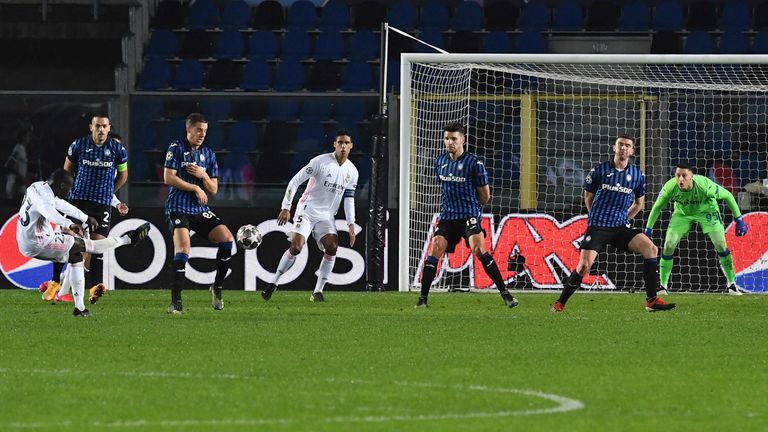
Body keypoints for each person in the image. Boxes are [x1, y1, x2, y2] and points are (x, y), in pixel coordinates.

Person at [552, 135, 675, 313]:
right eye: (621, 145)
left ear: (632, 151)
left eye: (628, 146)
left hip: (619, 226)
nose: (624, 148)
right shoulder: (599, 171)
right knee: (584, 266)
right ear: (614, 148)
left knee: (651, 249)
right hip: (598, 226)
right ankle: (560, 302)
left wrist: (625, 219)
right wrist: (595, 217)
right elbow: (588, 197)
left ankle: (652, 300)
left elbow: (639, 204)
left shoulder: (637, 175)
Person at [19, 169, 149, 317]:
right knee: (89, 245)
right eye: (68, 187)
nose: (69, 191)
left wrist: (86, 218)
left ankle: (79, 307)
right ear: (62, 185)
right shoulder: (44, 198)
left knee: (76, 257)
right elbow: (50, 213)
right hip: (39, 242)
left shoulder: (38, 187)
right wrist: (69, 224)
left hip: (27, 239)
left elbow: (60, 204)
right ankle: (127, 240)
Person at [416, 123, 518, 309]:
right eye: (447, 138)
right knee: (435, 248)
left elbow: (485, 195)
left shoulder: (474, 163)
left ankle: (505, 294)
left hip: (468, 216)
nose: (450, 142)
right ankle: (422, 299)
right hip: (448, 217)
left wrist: (472, 209)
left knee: (479, 250)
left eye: (454, 139)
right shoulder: (440, 162)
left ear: (463, 139)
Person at [261, 129, 358, 302]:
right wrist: (286, 207)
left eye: (346, 143)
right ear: (334, 144)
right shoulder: (320, 162)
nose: (343, 146)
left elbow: (349, 198)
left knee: (332, 247)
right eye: (340, 142)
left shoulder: (352, 172)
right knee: (297, 247)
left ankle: (318, 291)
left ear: (351, 146)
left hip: (327, 216)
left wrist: (351, 224)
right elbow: (295, 181)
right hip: (307, 210)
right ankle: (273, 283)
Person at [43, 131, 130, 304]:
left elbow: (108, 190)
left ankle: (83, 288)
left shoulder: (113, 168)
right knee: (70, 245)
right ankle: (55, 283)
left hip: (100, 206)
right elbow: (68, 172)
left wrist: (116, 203)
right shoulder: (86, 155)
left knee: (92, 250)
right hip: (79, 201)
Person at [163, 113, 234, 314]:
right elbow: (168, 177)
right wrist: (194, 188)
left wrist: (203, 177)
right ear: (189, 129)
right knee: (184, 249)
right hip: (177, 207)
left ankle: (217, 287)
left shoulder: (209, 154)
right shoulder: (176, 148)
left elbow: (213, 189)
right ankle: (175, 302)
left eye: (205, 130)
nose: (202, 134)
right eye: (198, 130)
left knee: (227, 239)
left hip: (200, 210)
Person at [644, 163, 748, 295]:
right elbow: (657, 207)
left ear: (691, 176)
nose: (680, 179)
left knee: (720, 244)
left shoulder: (704, 185)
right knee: (669, 245)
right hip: (682, 213)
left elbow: (728, 195)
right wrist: (648, 229)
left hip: (707, 210)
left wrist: (739, 219)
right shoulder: (670, 187)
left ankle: (732, 284)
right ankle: (663, 286)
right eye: (678, 176)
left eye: (684, 176)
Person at [4, 129, 31, 199]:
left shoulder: (22, 149)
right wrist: (21, 176)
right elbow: (11, 164)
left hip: (20, 181)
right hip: (15, 180)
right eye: (28, 136)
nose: (29, 138)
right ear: (23, 137)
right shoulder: (18, 148)